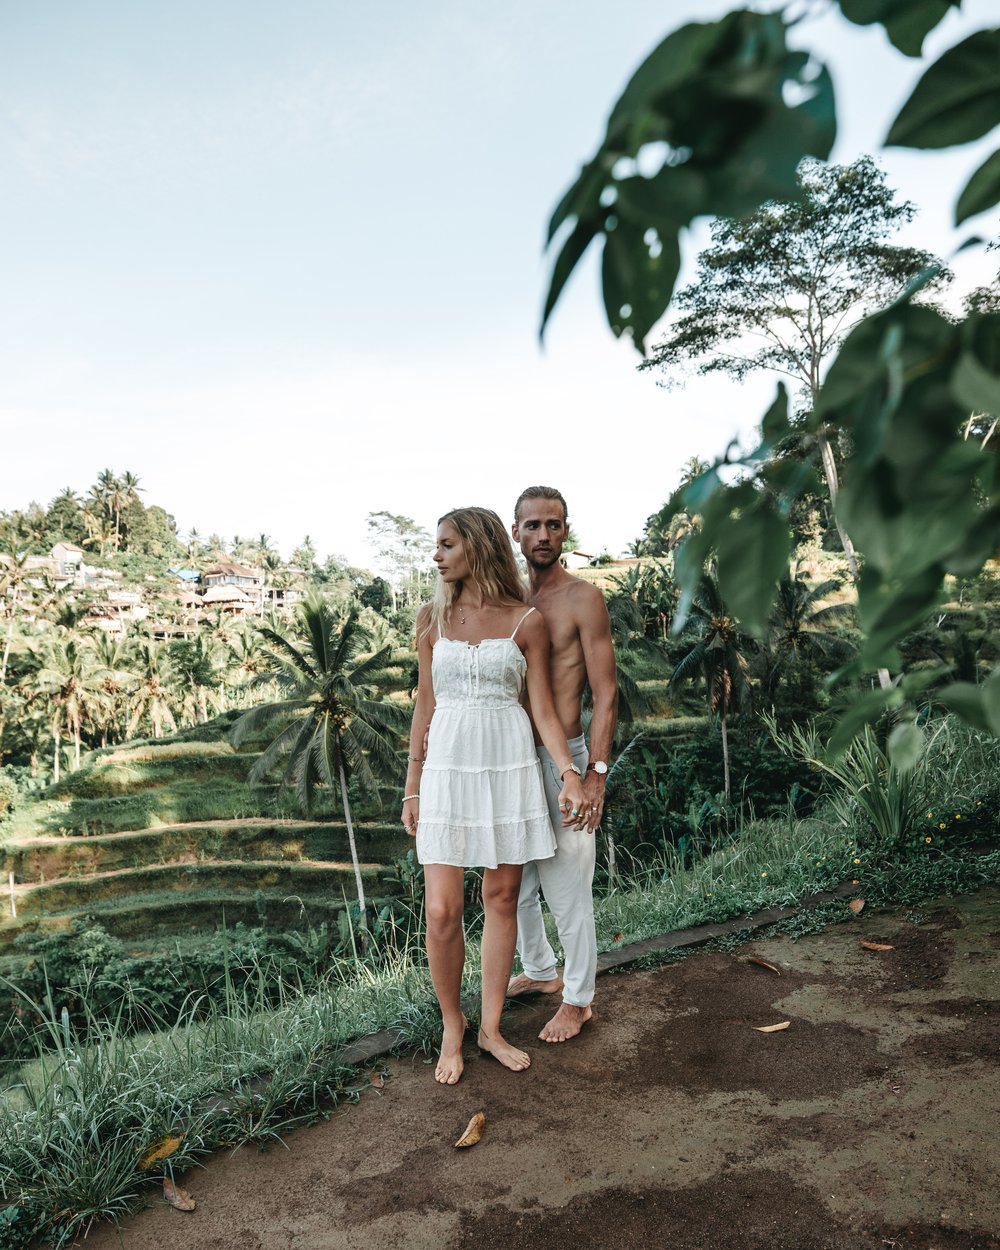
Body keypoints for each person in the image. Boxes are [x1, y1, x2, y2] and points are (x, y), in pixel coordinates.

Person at [400, 506, 586, 1086]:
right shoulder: (433, 618)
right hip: (449, 770)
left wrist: (569, 772)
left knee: (502, 898)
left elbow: (542, 711)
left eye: (447, 544)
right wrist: (412, 784)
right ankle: (452, 1027)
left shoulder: (525, 621)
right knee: (441, 910)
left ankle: (490, 1029)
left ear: (476, 547)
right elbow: (424, 706)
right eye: (437, 546)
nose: (437, 556)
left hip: (508, 767)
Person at [507, 485, 618, 1043]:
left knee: (567, 886)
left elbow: (606, 692)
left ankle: (579, 999)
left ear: (566, 531)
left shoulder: (583, 600)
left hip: (565, 761)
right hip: (511, 761)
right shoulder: (507, 600)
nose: (543, 535)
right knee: (515, 881)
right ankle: (541, 971)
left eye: (553, 525)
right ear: (515, 532)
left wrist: (596, 774)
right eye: (532, 525)